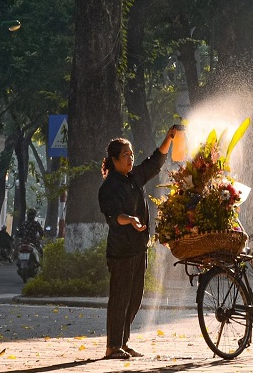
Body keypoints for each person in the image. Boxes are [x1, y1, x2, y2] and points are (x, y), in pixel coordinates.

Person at [98, 126, 180, 360]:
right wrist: (130, 220)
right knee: (120, 299)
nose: (131, 158)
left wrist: (168, 138)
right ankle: (112, 346)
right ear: (114, 160)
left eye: (131, 154)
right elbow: (113, 216)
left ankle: (122, 343)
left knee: (134, 300)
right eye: (126, 155)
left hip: (138, 249)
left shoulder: (134, 177)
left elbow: (154, 163)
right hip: (121, 251)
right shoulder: (109, 187)